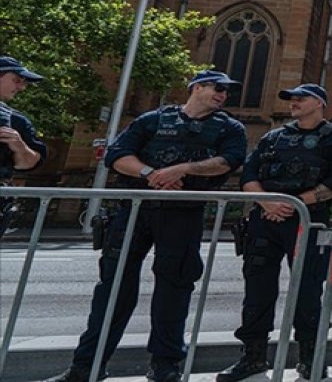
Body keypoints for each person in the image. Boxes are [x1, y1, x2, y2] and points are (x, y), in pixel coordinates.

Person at [45, 70, 248, 382]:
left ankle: (165, 366)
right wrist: (151, 173)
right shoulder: (153, 120)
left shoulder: (229, 127)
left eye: (226, 91)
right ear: (195, 87)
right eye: (217, 88)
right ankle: (87, 366)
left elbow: (229, 161)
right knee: (113, 290)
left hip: (183, 213)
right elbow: (116, 155)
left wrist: (181, 169)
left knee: (174, 291)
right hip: (135, 211)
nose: (223, 94)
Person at [217, 84, 332, 381]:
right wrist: (267, 201)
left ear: (319, 103)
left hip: (308, 222)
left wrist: (294, 203)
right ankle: (253, 357)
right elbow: (249, 175)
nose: (293, 102)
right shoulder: (273, 137)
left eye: (300, 98)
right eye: (291, 99)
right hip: (265, 221)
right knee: (257, 292)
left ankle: (310, 358)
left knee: (307, 292)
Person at [0, 56, 48, 238]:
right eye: (16, 80)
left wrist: (19, 146)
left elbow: (30, 163)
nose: (21, 87)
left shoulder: (15, 121)